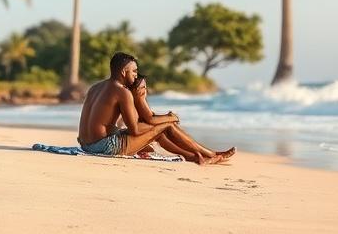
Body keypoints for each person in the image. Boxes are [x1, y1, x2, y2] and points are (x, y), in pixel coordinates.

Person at [77, 52, 233, 164]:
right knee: (166, 126)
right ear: (124, 72)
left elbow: (119, 123)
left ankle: (195, 156)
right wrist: (169, 117)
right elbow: (135, 131)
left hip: (86, 144)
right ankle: (211, 154)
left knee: (159, 131)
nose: (136, 76)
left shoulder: (95, 87)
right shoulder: (122, 92)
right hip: (103, 147)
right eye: (134, 71)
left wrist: (140, 100)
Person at [128, 75, 235, 164]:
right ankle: (211, 154)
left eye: (145, 87)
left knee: (164, 131)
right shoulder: (136, 99)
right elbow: (150, 119)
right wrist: (171, 117)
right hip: (131, 139)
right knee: (168, 127)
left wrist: (167, 118)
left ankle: (197, 157)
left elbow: (150, 117)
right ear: (134, 89)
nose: (144, 90)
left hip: (136, 136)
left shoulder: (137, 99)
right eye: (142, 87)